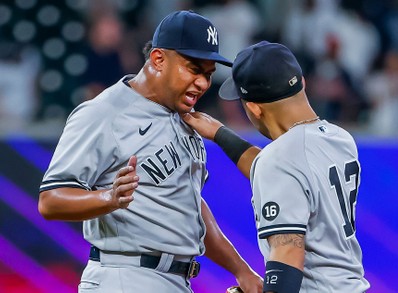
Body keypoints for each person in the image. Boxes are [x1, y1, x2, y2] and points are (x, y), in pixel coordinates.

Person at [38, 10, 262, 293]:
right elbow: (50, 200)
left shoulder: (185, 118)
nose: (203, 83)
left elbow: (189, 205)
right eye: (194, 69)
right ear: (158, 59)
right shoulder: (104, 113)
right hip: (124, 275)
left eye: (208, 74)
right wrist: (109, 197)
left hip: (177, 279)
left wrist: (241, 270)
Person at [182, 41, 370, 293]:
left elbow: (288, 250)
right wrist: (220, 133)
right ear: (301, 82)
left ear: (254, 108)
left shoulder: (280, 160)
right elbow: (286, 175)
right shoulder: (339, 138)